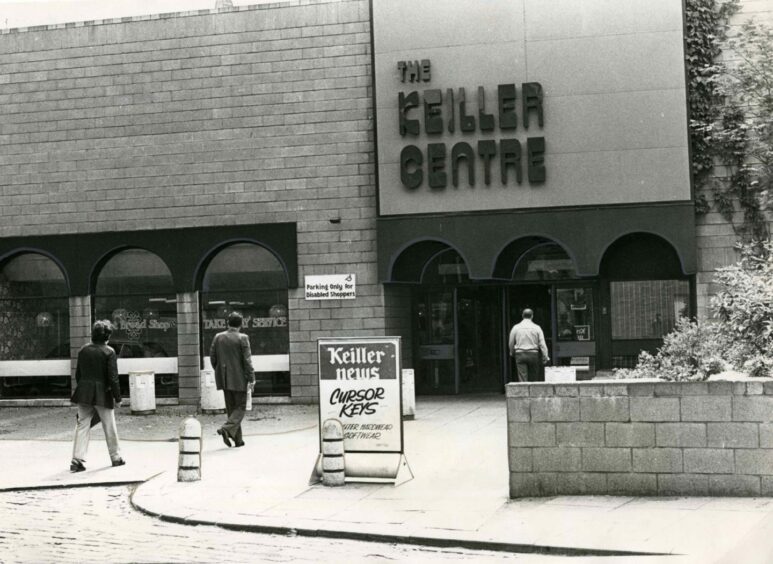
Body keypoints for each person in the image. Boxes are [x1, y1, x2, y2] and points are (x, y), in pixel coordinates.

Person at [70, 320, 125, 472]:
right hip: (103, 393)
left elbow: (78, 374)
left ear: (93, 334)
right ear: (107, 336)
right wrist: (118, 398)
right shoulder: (109, 352)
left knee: (82, 425)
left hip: (84, 392)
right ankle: (116, 457)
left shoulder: (83, 350)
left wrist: (83, 387)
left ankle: (76, 460)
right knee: (109, 425)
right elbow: (113, 377)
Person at [210, 311, 255, 448]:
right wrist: (251, 378)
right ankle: (226, 429)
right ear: (241, 324)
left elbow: (213, 358)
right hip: (239, 378)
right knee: (240, 407)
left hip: (224, 378)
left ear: (227, 323)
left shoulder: (218, 337)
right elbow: (247, 361)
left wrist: (220, 371)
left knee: (232, 409)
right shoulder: (243, 338)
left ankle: (238, 440)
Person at [508, 308, 550, 382]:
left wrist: (512, 352)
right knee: (533, 377)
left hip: (520, 354)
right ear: (532, 316)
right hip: (533, 354)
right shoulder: (537, 328)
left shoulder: (516, 327)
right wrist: (545, 356)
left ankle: (524, 392)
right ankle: (533, 392)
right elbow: (542, 344)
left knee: (522, 378)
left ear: (522, 316)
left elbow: (511, 342)